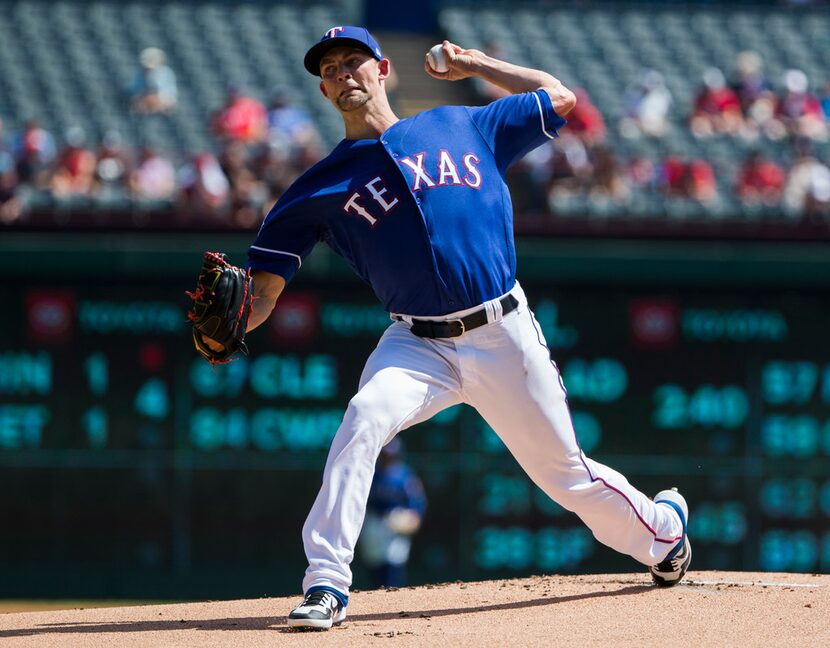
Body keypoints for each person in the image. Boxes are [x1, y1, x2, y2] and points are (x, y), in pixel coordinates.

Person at [202, 26, 691, 631]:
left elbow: (559, 97)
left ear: (384, 69)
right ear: (325, 92)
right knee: (363, 418)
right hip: (415, 343)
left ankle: (666, 533)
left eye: (353, 62)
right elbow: (265, 289)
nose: (342, 74)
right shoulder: (316, 189)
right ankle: (326, 582)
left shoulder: (462, 124)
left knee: (567, 477)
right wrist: (226, 326)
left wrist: (477, 63)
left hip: (503, 331)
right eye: (329, 70)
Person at [357, 438, 426, 588]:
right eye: (385, 455)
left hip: (396, 523)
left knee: (393, 568)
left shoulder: (405, 475)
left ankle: (391, 603)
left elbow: (417, 503)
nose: (388, 458)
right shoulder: (372, 475)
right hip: (374, 523)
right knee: (374, 567)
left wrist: (414, 517)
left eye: (391, 455)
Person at [130, 47, 178, 114]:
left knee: (150, 97)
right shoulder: (140, 74)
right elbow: (135, 90)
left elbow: (155, 91)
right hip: (146, 98)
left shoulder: (164, 73)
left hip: (163, 99)